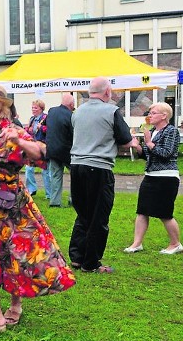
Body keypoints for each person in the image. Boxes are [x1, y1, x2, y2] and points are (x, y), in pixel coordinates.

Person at [0, 83, 76, 339]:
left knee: (13, 254)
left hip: (8, 204)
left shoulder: (11, 131)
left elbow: (42, 155)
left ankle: (15, 303)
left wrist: (20, 141)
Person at [69, 77, 140, 273]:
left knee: (83, 214)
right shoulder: (111, 111)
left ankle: (76, 257)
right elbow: (125, 140)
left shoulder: (77, 112)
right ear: (107, 92)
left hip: (77, 166)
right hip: (98, 168)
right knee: (99, 217)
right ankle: (91, 263)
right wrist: (135, 143)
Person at [124, 102, 182, 255]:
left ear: (164, 115)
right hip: (150, 176)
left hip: (166, 177)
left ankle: (175, 244)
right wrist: (137, 146)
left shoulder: (171, 131)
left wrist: (149, 143)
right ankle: (137, 243)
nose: (150, 115)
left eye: (153, 113)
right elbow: (147, 155)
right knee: (142, 211)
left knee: (164, 213)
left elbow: (166, 153)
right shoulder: (152, 131)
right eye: (149, 112)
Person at [45, 93, 75, 207]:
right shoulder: (71, 115)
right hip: (66, 150)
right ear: (71, 104)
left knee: (55, 176)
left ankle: (54, 202)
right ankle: (73, 199)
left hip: (52, 149)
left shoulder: (51, 111)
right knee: (75, 175)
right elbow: (73, 133)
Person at [24, 99, 50, 198]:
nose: (33, 109)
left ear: (41, 108)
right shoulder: (31, 119)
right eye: (32, 107)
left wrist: (42, 128)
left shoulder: (46, 118)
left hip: (43, 147)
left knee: (45, 171)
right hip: (33, 147)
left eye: (35, 108)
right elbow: (30, 133)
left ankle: (49, 194)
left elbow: (51, 130)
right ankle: (31, 189)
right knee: (28, 168)